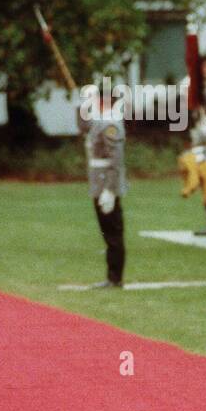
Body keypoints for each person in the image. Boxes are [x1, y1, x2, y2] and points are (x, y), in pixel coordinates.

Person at [78, 81, 128, 288]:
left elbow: (115, 161)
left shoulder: (110, 124)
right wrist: (80, 104)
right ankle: (112, 276)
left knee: (113, 233)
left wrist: (109, 189)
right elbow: (82, 126)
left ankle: (114, 278)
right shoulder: (101, 120)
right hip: (99, 184)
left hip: (106, 185)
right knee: (108, 232)